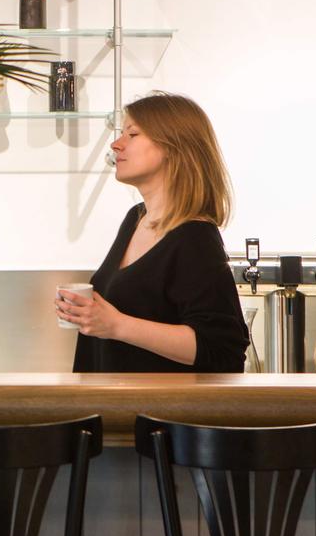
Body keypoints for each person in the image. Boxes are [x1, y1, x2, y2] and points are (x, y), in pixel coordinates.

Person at [56, 92, 249, 373]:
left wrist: (117, 325)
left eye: (132, 134)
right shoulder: (136, 219)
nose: (116, 144)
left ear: (173, 146)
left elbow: (222, 349)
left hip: (159, 403)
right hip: (113, 399)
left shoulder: (194, 237)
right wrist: (86, 315)